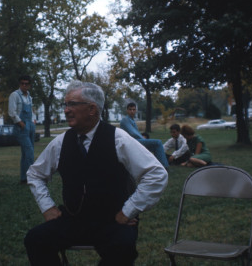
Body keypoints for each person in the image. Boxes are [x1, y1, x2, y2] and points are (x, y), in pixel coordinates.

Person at [24, 80, 168, 266]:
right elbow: (35, 174)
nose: (66, 110)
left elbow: (156, 174)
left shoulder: (118, 139)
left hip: (113, 221)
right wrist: (47, 207)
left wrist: (128, 210)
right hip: (74, 219)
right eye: (65, 104)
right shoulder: (61, 142)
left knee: (122, 250)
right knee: (35, 240)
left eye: (72, 104)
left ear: (92, 109)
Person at [120, 102, 169, 169]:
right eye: (130, 109)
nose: (132, 111)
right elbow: (133, 133)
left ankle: (159, 166)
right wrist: (144, 139)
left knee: (156, 147)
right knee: (158, 142)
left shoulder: (132, 120)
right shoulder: (125, 120)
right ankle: (165, 166)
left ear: (136, 110)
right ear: (127, 110)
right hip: (132, 142)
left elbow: (136, 133)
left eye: (134, 109)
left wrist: (142, 136)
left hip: (136, 141)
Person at [8, 75, 36, 183]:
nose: (24, 85)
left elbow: (32, 111)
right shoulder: (14, 95)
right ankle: (33, 177)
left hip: (30, 126)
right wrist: (21, 123)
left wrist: (33, 122)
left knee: (26, 153)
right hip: (21, 127)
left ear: (29, 85)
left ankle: (24, 178)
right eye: (22, 83)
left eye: (26, 83)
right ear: (19, 84)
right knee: (29, 153)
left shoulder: (29, 96)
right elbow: (11, 112)